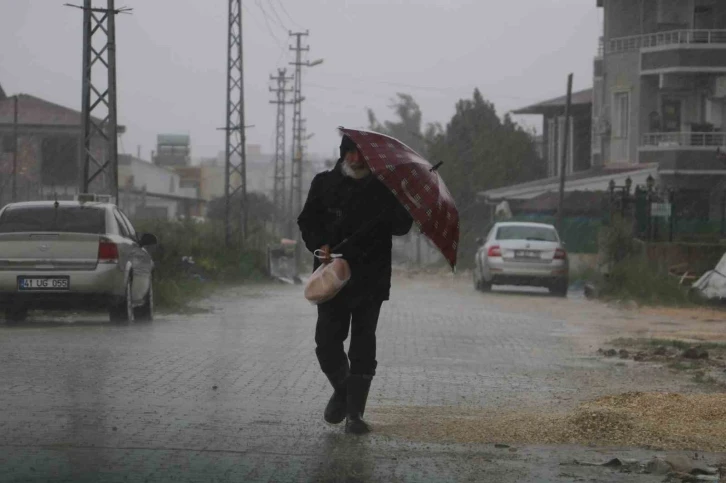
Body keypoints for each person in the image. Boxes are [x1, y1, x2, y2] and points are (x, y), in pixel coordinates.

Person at [297, 134, 413, 434]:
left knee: (363, 345)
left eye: (361, 155)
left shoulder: (384, 189)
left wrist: (402, 195)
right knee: (326, 343)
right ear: (343, 154)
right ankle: (345, 392)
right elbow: (306, 221)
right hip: (332, 276)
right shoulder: (323, 183)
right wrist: (318, 243)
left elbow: (402, 227)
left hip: (370, 279)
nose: (356, 160)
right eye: (350, 153)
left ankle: (354, 415)